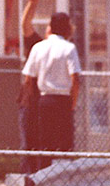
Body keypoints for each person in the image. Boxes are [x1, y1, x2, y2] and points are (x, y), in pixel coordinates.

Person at [21, 12, 81, 163]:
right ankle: (63, 180)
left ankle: (44, 178)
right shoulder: (69, 48)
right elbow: (75, 79)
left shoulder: (38, 47)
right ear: (66, 28)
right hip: (63, 101)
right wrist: (73, 103)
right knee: (64, 143)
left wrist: (34, 102)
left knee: (45, 144)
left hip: (44, 100)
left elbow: (28, 78)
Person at [17, 0, 43, 165]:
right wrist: (32, 4)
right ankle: (29, 181)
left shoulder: (65, 50)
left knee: (45, 145)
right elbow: (25, 25)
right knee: (29, 145)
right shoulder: (38, 44)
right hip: (31, 100)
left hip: (48, 104)